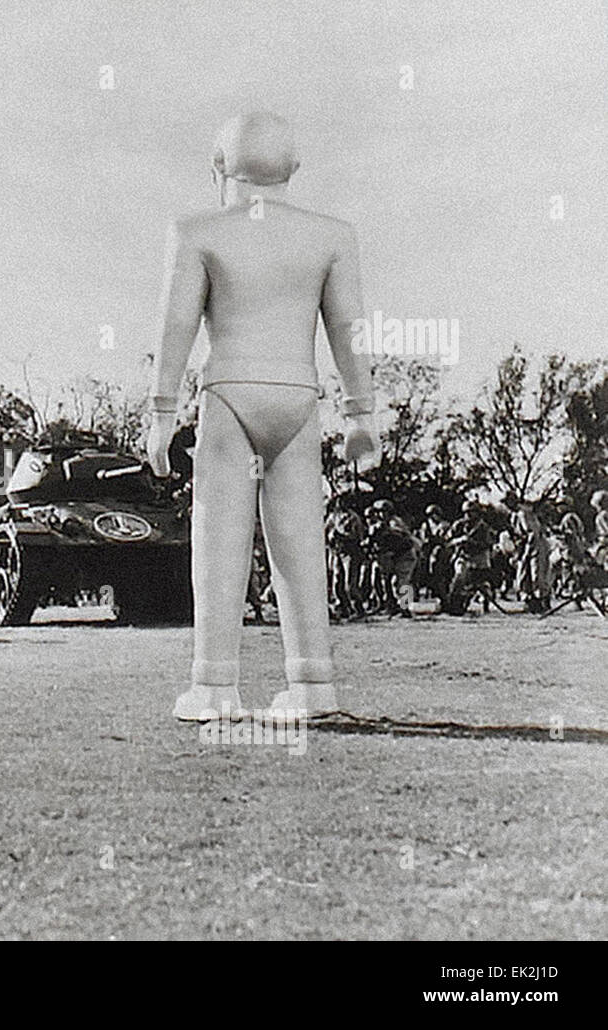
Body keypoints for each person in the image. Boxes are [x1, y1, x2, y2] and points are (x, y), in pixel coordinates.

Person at [146, 112, 378, 719]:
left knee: (219, 542)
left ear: (218, 167)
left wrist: (162, 411)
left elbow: (176, 325)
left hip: (229, 394)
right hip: (300, 397)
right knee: (301, 543)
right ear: (293, 170)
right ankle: (312, 685)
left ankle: (215, 688)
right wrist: (360, 414)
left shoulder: (196, 231)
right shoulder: (332, 235)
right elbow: (350, 332)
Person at [443, 501, 496, 615]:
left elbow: (488, 544)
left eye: (472, 513)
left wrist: (473, 542)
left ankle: (483, 602)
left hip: (479, 558)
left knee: (481, 584)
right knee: (459, 577)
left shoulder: (483, 527)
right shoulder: (458, 525)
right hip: (463, 556)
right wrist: (459, 540)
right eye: (466, 513)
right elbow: (447, 540)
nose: (468, 516)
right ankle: (454, 603)